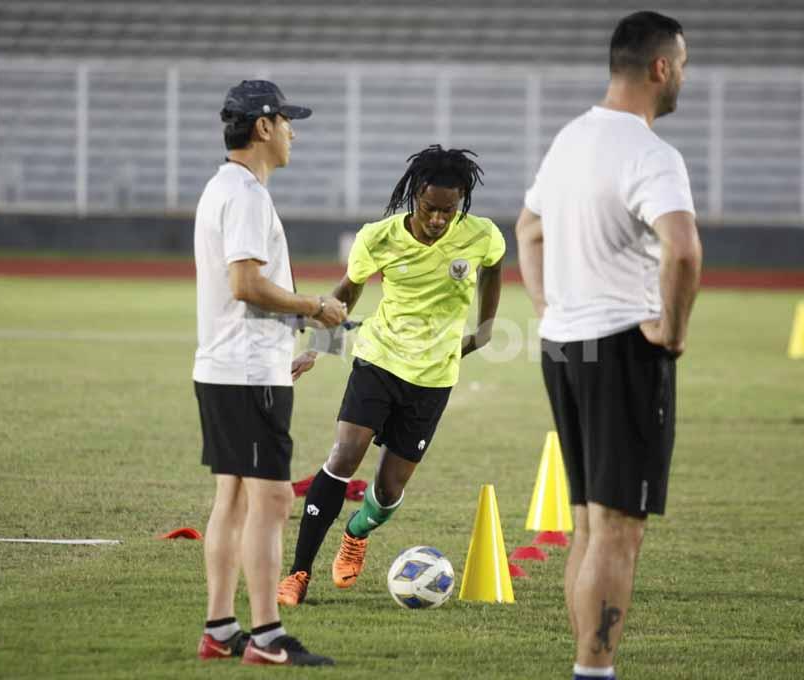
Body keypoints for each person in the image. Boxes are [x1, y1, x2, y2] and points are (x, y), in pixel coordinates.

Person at [514, 12, 702, 680]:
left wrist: (546, 306)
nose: (684, 77)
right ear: (660, 68)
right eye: (683, 65)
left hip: (564, 346)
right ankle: (593, 673)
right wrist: (672, 331)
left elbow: (527, 228)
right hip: (622, 347)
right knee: (618, 528)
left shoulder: (571, 138)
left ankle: (588, 666)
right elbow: (683, 250)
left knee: (591, 526)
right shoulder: (651, 154)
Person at [275, 145, 504, 606]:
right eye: (429, 208)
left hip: (433, 378)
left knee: (388, 488)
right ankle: (298, 573)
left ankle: (358, 532)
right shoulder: (378, 238)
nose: (438, 219)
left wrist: (484, 329)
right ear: (413, 196)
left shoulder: (481, 235)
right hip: (378, 360)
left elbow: (494, 266)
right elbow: (347, 291)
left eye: (448, 210)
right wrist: (318, 346)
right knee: (344, 457)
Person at [192, 79, 347, 667]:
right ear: (263, 126)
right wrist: (315, 306)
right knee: (273, 500)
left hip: (231, 367)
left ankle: (220, 628)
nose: (292, 134)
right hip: (246, 373)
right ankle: (267, 636)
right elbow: (246, 283)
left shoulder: (223, 187)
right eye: (286, 122)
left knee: (233, 497)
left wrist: (287, 343)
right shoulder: (247, 195)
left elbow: (244, 291)